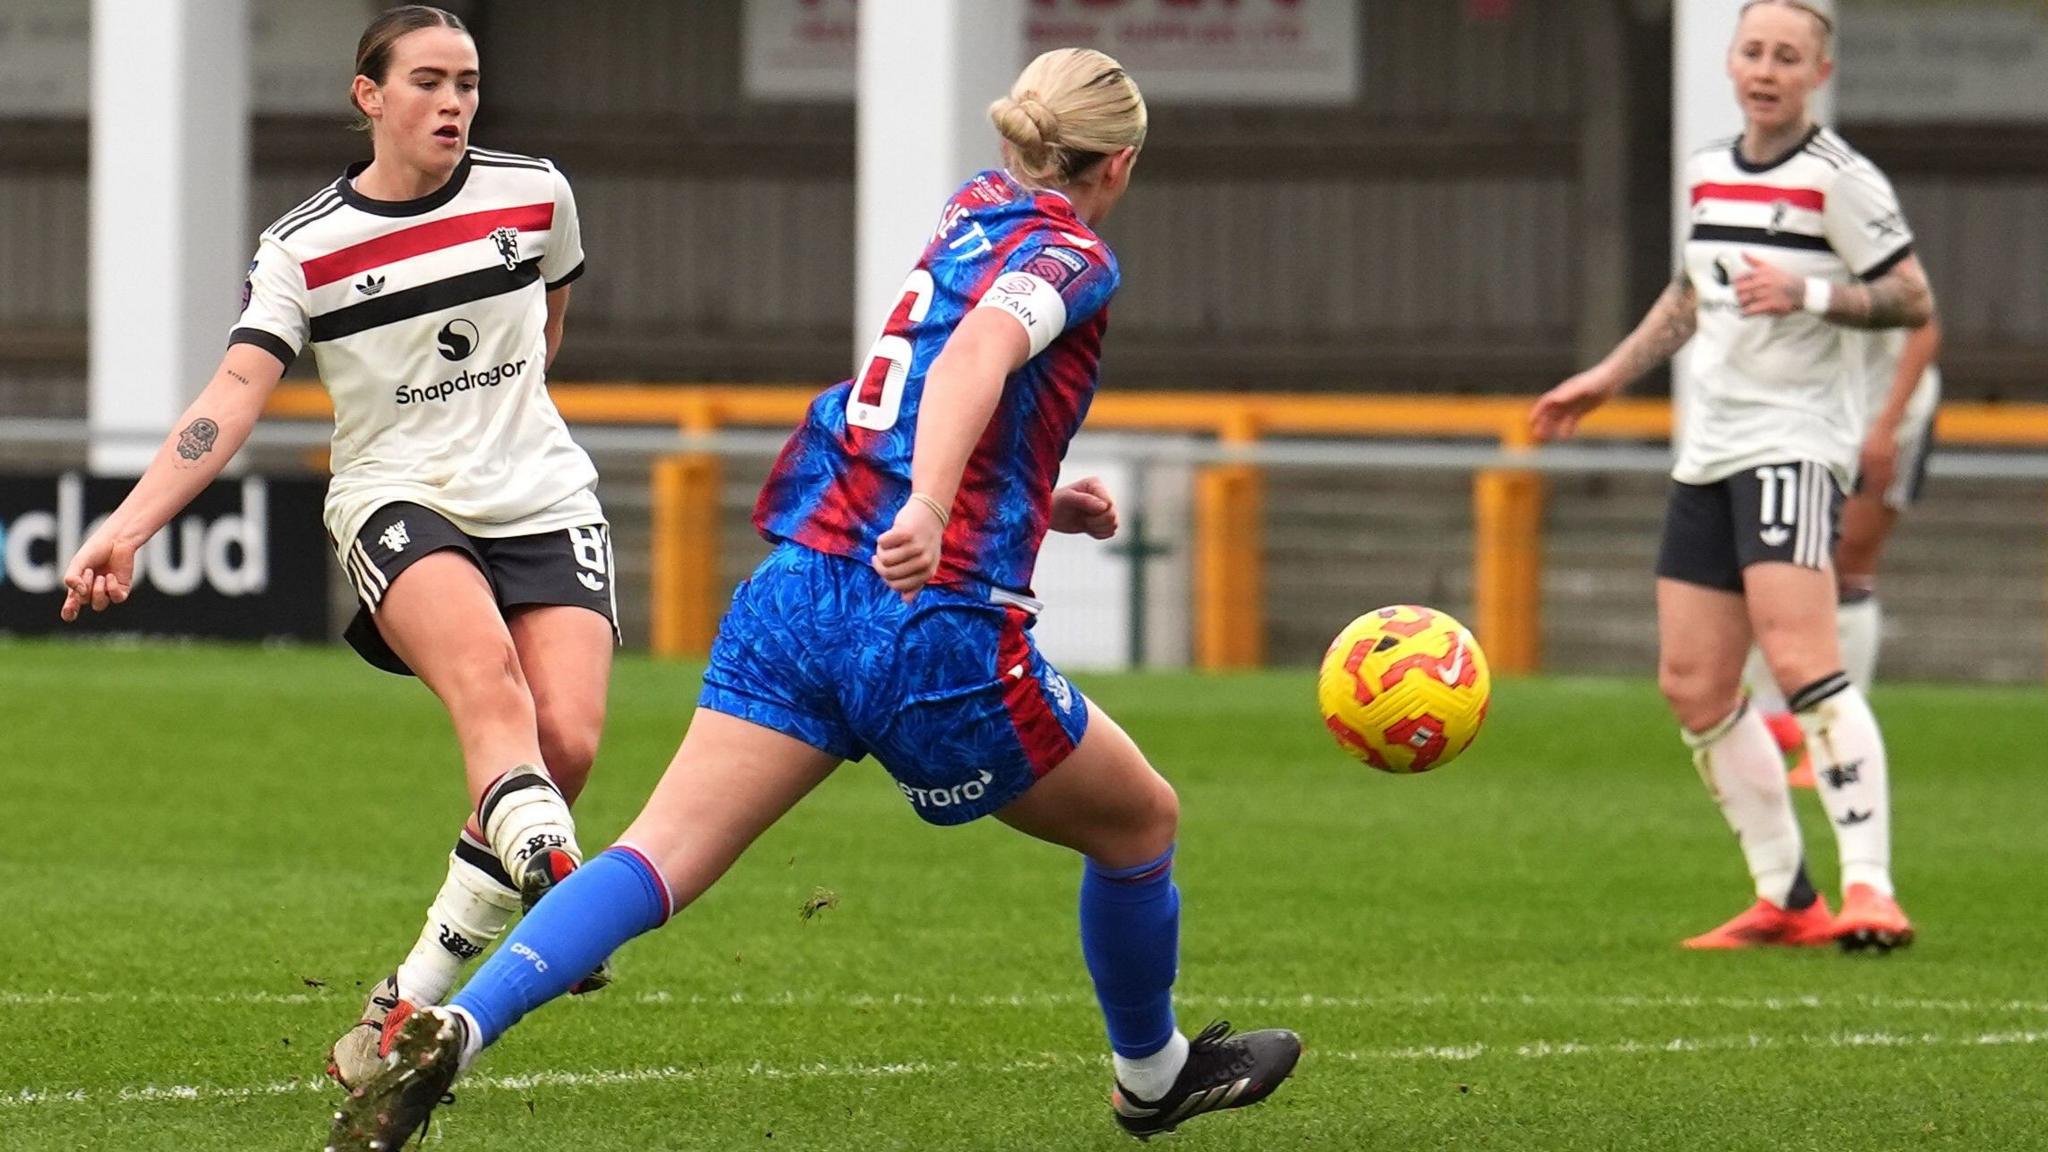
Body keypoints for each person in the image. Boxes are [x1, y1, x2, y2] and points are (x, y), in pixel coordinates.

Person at [327, 48, 1300, 1150]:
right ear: (1116, 164)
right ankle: (1151, 1076)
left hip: (799, 585)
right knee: (1140, 823)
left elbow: (948, 364)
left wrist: (1028, 496)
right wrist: (934, 507)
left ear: (1013, 143)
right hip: (926, 619)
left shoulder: (970, 208)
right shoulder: (1072, 253)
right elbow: (975, 356)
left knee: (658, 853)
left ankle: (455, 1027)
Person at [60, 4, 616, 1088]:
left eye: (465, 81)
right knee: (490, 690)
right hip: (395, 499)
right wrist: (128, 527)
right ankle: (560, 876)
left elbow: (548, 324)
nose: (452, 101)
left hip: (542, 493)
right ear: (369, 96)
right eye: (426, 81)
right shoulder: (304, 248)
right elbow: (234, 391)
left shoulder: (535, 192)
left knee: (571, 744)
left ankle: (399, 1007)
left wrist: (504, 419)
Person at [1529, 0, 1932, 952]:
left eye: (1788, 55)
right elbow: (1688, 294)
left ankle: (1871, 887)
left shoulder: (1841, 180)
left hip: (1792, 443)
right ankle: (1787, 897)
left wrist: (1813, 292)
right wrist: (1607, 376)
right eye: (1753, 50)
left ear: (1817, 73)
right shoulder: (1710, 168)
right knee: (1693, 684)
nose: (1767, 68)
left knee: (1802, 663)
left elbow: (1912, 296)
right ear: (1733, 62)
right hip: (1706, 451)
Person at [1745, 319, 1941, 788]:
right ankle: (1774, 721)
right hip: (1814, 415)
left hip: (1880, 417)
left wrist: (1887, 427)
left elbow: (1923, 328)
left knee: (1847, 564)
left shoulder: (1874, 249)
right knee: (1782, 560)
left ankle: (1837, 743)